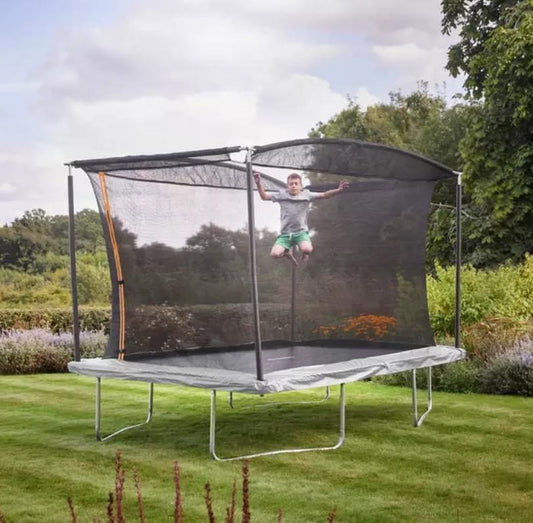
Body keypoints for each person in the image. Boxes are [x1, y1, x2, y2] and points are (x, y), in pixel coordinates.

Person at [253, 172, 349, 265]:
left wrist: (338, 190)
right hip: (285, 234)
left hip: (301, 233)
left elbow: (324, 195)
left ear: (301, 186)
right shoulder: (281, 195)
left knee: (307, 249)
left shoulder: (307, 195)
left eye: (296, 184)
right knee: (274, 254)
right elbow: (264, 197)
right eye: (291, 184)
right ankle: (286, 252)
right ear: (287, 186)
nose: (293, 186)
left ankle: (305, 253)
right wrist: (258, 183)